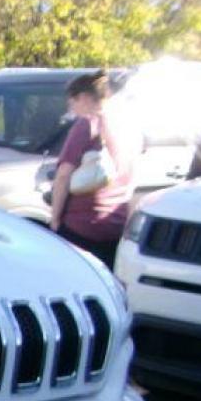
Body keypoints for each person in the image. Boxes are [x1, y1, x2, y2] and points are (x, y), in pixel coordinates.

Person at [49, 70, 136, 269]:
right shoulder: (126, 124)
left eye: (73, 102)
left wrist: (55, 220)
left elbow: (63, 176)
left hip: (84, 223)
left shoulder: (87, 123)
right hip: (116, 221)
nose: (71, 108)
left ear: (85, 97)